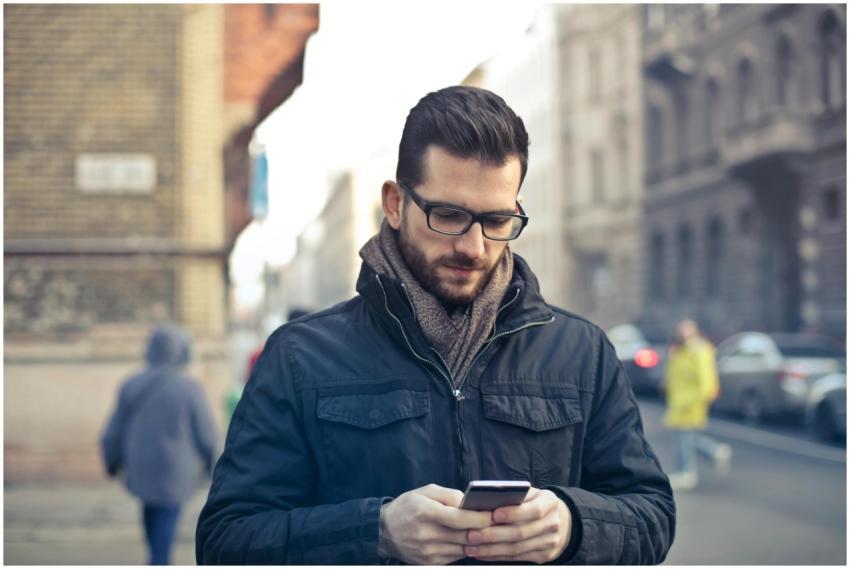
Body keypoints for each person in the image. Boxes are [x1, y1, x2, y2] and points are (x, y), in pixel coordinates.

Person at [196, 86, 675, 564]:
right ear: (394, 203)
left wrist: (573, 524)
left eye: (497, 220)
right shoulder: (300, 356)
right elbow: (226, 542)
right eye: (448, 215)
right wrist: (376, 532)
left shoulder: (582, 350)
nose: (473, 246)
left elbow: (653, 516)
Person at [101, 324, 219, 565]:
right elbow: (206, 433)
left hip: (141, 468)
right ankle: (159, 560)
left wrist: (111, 461)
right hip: (175, 472)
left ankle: (156, 558)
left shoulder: (131, 384)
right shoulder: (190, 388)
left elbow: (113, 432)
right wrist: (213, 464)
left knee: (151, 515)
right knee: (165, 522)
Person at [663, 318, 732, 491]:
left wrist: (697, 400)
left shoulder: (699, 351)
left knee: (684, 437)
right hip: (679, 401)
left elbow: (707, 383)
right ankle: (715, 451)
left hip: (690, 402)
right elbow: (674, 374)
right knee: (686, 437)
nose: (682, 333)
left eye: (686, 329)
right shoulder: (681, 350)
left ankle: (687, 472)